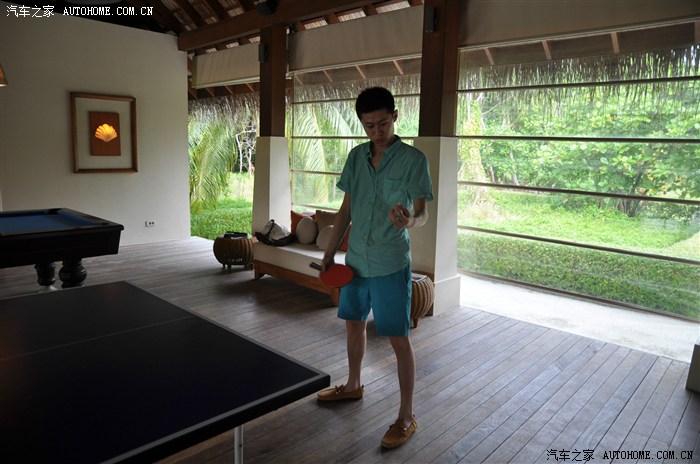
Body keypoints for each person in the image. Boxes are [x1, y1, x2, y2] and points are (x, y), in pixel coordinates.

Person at [316, 86, 433, 449]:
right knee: (353, 324)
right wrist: (329, 253)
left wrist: (410, 221)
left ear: (395, 117)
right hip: (356, 262)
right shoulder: (356, 158)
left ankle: (406, 416)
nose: (377, 131)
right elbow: (346, 210)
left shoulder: (413, 160)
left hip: (389, 263)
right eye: (369, 126)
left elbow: (423, 213)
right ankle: (353, 385)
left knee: (398, 338)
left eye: (383, 123)